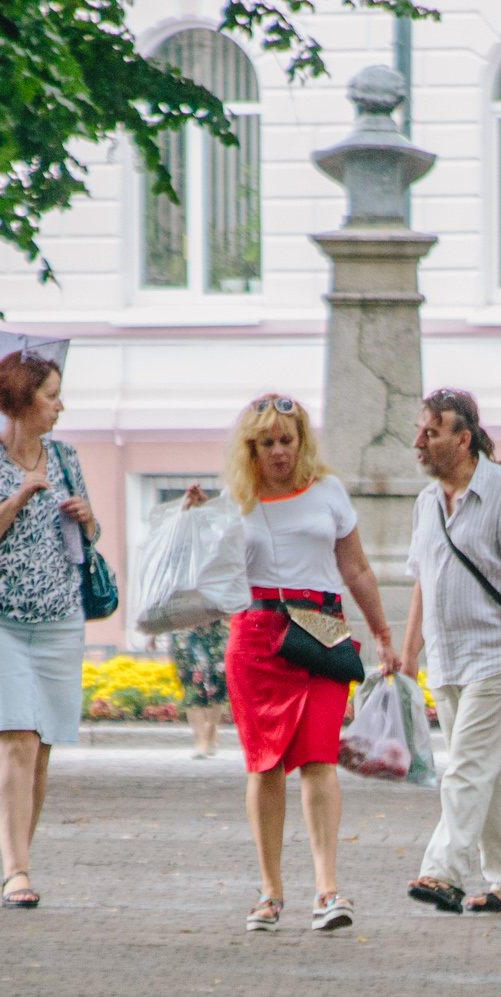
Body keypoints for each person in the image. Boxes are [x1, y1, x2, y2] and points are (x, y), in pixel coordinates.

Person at [185, 394, 395, 933]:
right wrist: (195, 523)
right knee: (266, 763)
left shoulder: (328, 491)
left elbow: (358, 569)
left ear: (302, 441)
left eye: (287, 440)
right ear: (249, 447)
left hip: (322, 629)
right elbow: (207, 578)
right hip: (257, 632)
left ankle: (328, 890)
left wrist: (383, 634)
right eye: (266, 443)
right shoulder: (233, 500)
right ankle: (271, 891)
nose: (279, 452)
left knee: (320, 758)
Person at [0, 349, 98, 910]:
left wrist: (88, 518)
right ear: (21, 400)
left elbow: (90, 539)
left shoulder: (66, 457)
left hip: (57, 617)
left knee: (42, 745)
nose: (60, 406)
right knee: (16, 735)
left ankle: (20, 860)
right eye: (51, 395)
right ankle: (16, 872)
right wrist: (20, 494)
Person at [399, 388, 501, 916]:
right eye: (420, 431)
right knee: (487, 772)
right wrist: (409, 652)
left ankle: (442, 872)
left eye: (432, 432)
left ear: (463, 439)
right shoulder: (426, 503)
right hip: (448, 661)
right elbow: (423, 580)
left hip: (497, 658)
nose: (419, 441)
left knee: (465, 767)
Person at [171, 618, 231, 758]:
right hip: (187, 633)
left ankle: (211, 732)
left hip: (215, 634)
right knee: (193, 693)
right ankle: (201, 741)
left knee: (216, 691)